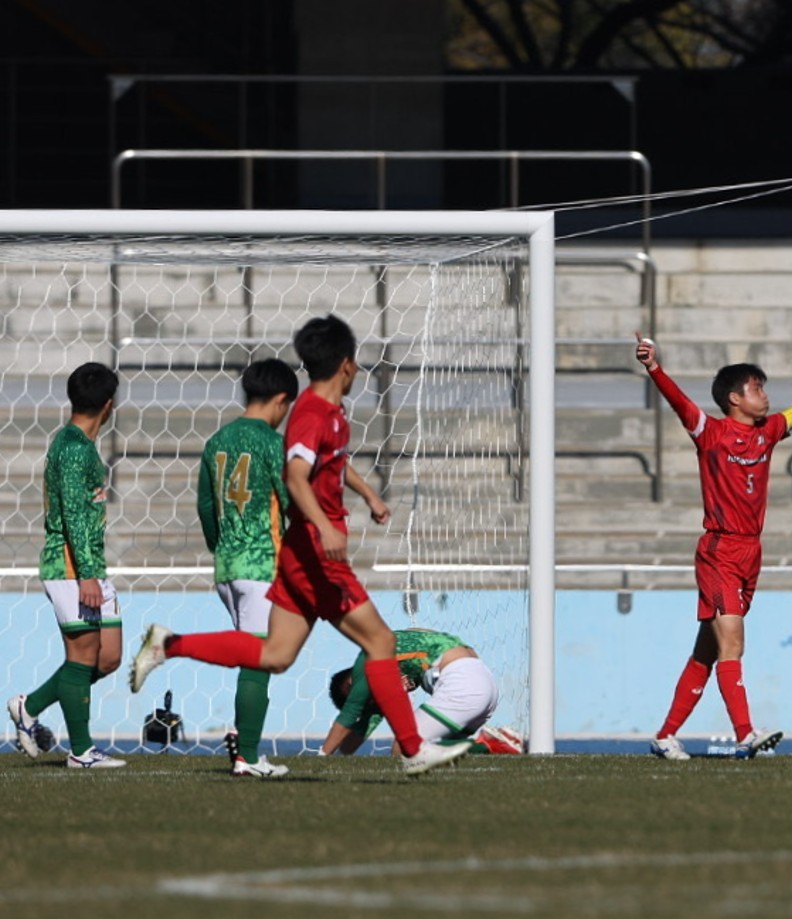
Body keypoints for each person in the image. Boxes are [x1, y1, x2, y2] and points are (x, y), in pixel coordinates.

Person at [128, 315, 471, 777]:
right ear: (348, 365)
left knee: (275, 655)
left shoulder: (323, 412)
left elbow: (328, 462)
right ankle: (413, 749)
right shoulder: (311, 413)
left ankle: (170, 644)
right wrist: (324, 527)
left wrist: (368, 494)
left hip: (292, 554)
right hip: (314, 553)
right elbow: (294, 474)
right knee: (382, 641)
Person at [636, 332, 792, 761]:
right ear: (734, 398)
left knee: (707, 650)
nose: (765, 395)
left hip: (751, 552)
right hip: (719, 551)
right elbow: (679, 403)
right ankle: (745, 732)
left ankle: (665, 735)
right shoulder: (710, 433)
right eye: (757, 388)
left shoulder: (769, 432)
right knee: (733, 644)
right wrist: (655, 367)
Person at [8, 362, 126, 768]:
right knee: (82, 656)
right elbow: (75, 515)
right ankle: (82, 751)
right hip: (72, 567)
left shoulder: (76, 443)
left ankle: (31, 706)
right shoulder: (75, 449)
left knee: (108, 656)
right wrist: (87, 576)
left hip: (89, 564)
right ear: (109, 406)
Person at [197, 358, 298, 778]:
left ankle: (246, 747)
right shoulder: (272, 444)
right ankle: (248, 755)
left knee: (255, 656)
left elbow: (206, 506)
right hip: (261, 564)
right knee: (260, 660)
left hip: (227, 566)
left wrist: (221, 550)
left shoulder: (217, 441)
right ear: (280, 400)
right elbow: (292, 502)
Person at [321, 628, 517, 756]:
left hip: (462, 683)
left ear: (352, 682)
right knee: (431, 754)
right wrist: (341, 755)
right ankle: (494, 745)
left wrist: (323, 757)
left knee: (403, 749)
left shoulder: (367, 661)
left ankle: (487, 745)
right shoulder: (388, 658)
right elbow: (366, 723)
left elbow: (351, 714)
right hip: (483, 680)